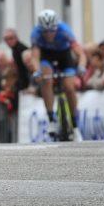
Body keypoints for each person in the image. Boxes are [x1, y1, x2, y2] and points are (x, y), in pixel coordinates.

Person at [29, 9, 87, 138]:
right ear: (41, 29)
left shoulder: (65, 30)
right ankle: (51, 119)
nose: (49, 34)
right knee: (47, 80)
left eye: (52, 30)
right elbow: (34, 57)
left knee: (69, 87)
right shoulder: (36, 33)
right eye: (45, 31)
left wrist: (81, 66)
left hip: (64, 56)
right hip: (46, 56)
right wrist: (37, 71)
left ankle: (74, 123)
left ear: (57, 27)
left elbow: (81, 53)